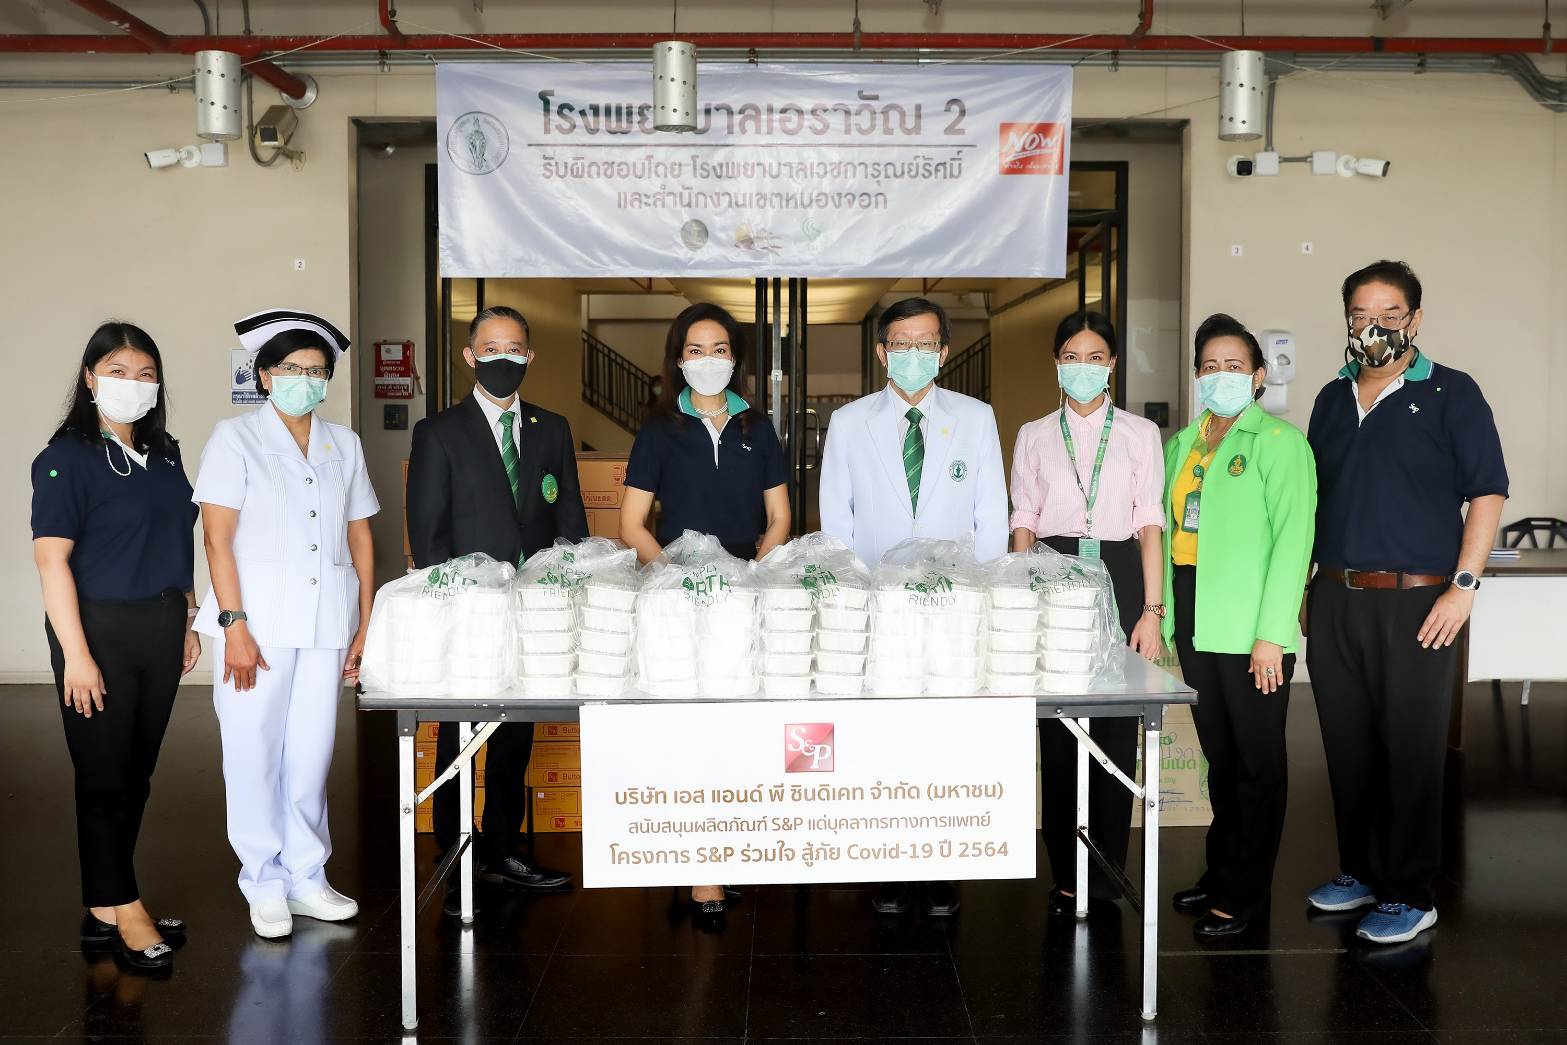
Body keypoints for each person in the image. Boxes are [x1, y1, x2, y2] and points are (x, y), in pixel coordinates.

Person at [1303, 261, 1506, 945]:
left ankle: (1410, 892)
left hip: (1418, 602)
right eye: (1361, 314)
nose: (1375, 327)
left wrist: (1463, 587)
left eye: (1389, 314)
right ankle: (1360, 871)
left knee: (1411, 749)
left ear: (1414, 319)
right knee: (1347, 744)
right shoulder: (1332, 397)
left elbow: (1487, 492)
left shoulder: (1452, 392)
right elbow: (1314, 499)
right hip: (1335, 596)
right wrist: (1305, 586)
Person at [192, 309, 380, 940]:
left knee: (311, 753)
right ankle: (263, 880)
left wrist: (365, 621)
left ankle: (307, 874)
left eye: (317, 371)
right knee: (253, 751)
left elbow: (360, 534)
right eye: (292, 369)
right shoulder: (234, 438)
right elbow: (217, 539)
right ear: (265, 376)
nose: (306, 380)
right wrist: (233, 625)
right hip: (258, 625)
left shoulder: (343, 443)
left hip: (327, 622)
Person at [819, 296, 1007, 917]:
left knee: (947, 732)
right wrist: (853, 598)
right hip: (880, 604)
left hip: (956, 603)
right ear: (882, 353)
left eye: (926, 344)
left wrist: (981, 594)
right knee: (884, 733)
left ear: (944, 352)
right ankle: (890, 864)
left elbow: (991, 513)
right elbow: (836, 517)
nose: (913, 354)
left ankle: (941, 865)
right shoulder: (850, 422)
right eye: (901, 344)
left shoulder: (975, 418)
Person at [31, 322, 202, 971]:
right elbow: (51, 561)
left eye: (145, 374)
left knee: (136, 771)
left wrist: (188, 619)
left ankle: (105, 904)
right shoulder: (65, 457)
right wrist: (76, 654)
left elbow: (178, 541)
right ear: (90, 378)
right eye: (119, 371)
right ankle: (127, 908)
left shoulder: (165, 454)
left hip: (161, 623)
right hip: (97, 630)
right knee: (102, 773)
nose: (134, 384)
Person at [406, 304, 585, 914]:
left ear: (529, 356)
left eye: (513, 349)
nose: (502, 358)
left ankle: (504, 848)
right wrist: (445, 604)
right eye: (490, 348)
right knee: (459, 729)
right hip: (469, 609)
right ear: (470, 356)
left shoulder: (551, 427)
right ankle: (454, 849)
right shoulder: (438, 433)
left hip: (536, 607)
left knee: (516, 729)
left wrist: (569, 585)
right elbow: (428, 532)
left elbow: (569, 516)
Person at [620, 302, 790, 919]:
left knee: (737, 724)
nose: (708, 360)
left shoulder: (757, 428)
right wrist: (675, 580)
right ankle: (700, 864)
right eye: (696, 350)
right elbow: (632, 523)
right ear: (678, 358)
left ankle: (729, 845)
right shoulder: (659, 430)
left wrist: (749, 578)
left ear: (735, 359)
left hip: (743, 593)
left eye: (720, 349)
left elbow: (779, 518)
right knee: (687, 725)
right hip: (677, 597)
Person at [1160, 313, 1316, 939]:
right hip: (1197, 614)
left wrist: (1273, 634)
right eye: (1209, 366)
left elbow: (1294, 542)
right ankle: (1221, 872)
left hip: (1252, 626)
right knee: (1220, 761)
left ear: (1257, 375)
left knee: (1257, 765)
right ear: (1196, 375)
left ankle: (1246, 896)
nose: (1220, 375)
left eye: (1233, 365)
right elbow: (1170, 535)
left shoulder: (1280, 443)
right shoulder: (1181, 444)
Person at [1008, 311, 1166, 915]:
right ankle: (1067, 876)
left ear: (1113, 364)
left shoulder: (1139, 434)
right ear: (1056, 363)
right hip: (1052, 571)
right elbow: (1024, 519)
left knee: (1115, 730)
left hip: (1119, 572)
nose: (1083, 367)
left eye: (1095, 356)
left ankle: (1105, 874)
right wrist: (1023, 597)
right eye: (1071, 356)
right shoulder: (1034, 434)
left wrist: (1151, 610)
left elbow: (1150, 524)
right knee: (1058, 730)